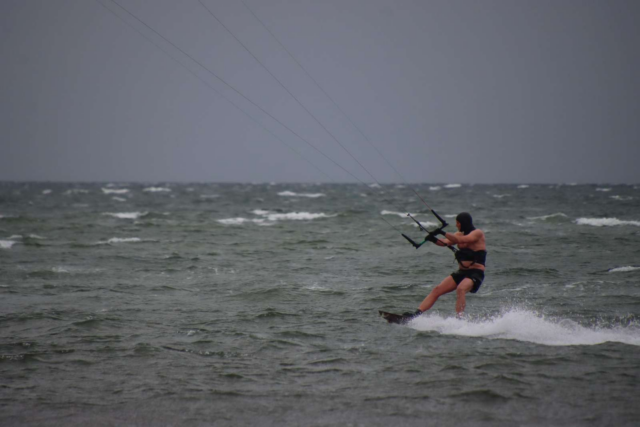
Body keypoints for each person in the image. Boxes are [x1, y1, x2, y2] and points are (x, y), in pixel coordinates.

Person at [402, 212, 487, 321]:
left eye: (457, 223)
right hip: (462, 272)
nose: (456, 226)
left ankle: (459, 319)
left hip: (476, 272)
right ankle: (415, 315)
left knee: (461, 289)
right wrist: (433, 239)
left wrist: (442, 232)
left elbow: (461, 241)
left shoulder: (477, 233)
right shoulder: (458, 234)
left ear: (462, 223)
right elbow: (445, 242)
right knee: (437, 290)